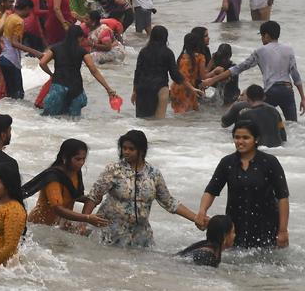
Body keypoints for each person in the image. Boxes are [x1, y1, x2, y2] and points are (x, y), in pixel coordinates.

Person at [86, 130, 198, 248]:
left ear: (142, 150)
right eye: (124, 148)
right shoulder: (113, 170)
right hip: (109, 232)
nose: (126, 152)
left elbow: (169, 202)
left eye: (131, 149)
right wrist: (85, 221)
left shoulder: (153, 174)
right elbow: (94, 196)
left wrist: (195, 218)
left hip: (140, 236)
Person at [196, 121, 289, 249]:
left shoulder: (270, 162)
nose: (240, 141)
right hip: (235, 228)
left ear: (256, 139)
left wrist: (283, 230)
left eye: (246, 138)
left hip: (266, 226)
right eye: (237, 137)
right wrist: (202, 211)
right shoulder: (227, 163)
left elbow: (282, 197)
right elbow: (211, 190)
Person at [203, 21, 304, 122]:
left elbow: (238, 68)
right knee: (292, 124)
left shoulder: (260, 51)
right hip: (288, 91)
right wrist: (303, 98)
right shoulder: (289, 49)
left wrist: (212, 80)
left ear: (267, 36)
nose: (261, 39)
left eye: (262, 36)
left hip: (272, 90)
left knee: (255, 119)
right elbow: (295, 76)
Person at [23, 139, 108, 230]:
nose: (81, 163)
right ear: (64, 158)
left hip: (59, 226)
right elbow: (58, 209)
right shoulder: (53, 178)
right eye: (78, 159)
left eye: (83, 159)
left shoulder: (75, 171)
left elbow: (73, 196)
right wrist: (87, 218)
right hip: (39, 226)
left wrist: (91, 199)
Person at [38, 26, 119, 117]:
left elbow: (42, 63)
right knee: (73, 121)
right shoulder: (82, 51)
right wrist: (108, 89)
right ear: (79, 37)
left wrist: (51, 74)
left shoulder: (55, 48)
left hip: (58, 86)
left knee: (49, 118)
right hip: (76, 88)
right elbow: (94, 70)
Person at [132, 26, 187, 119]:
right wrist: (189, 86)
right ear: (165, 37)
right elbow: (175, 74)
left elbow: (138, 72)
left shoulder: (143, 51)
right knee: (158, 122)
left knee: (142, 120)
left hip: (142, 88)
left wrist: (134, 91)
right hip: (160, 87)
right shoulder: (168, 53)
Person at [221, 85, 286, 148]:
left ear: (248, 98)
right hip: (278, 148)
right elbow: (283, 135)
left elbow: (237, 137)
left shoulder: (244, 114)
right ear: (264, 97)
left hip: (259, 150)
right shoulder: (275, 111)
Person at [170, 31, 209, 113]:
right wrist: (214, 69)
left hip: (175, 87)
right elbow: (203, 77)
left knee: (179, 115)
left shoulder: (181, 57)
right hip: (188, 89)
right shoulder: (200, 57)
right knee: (190, 116)